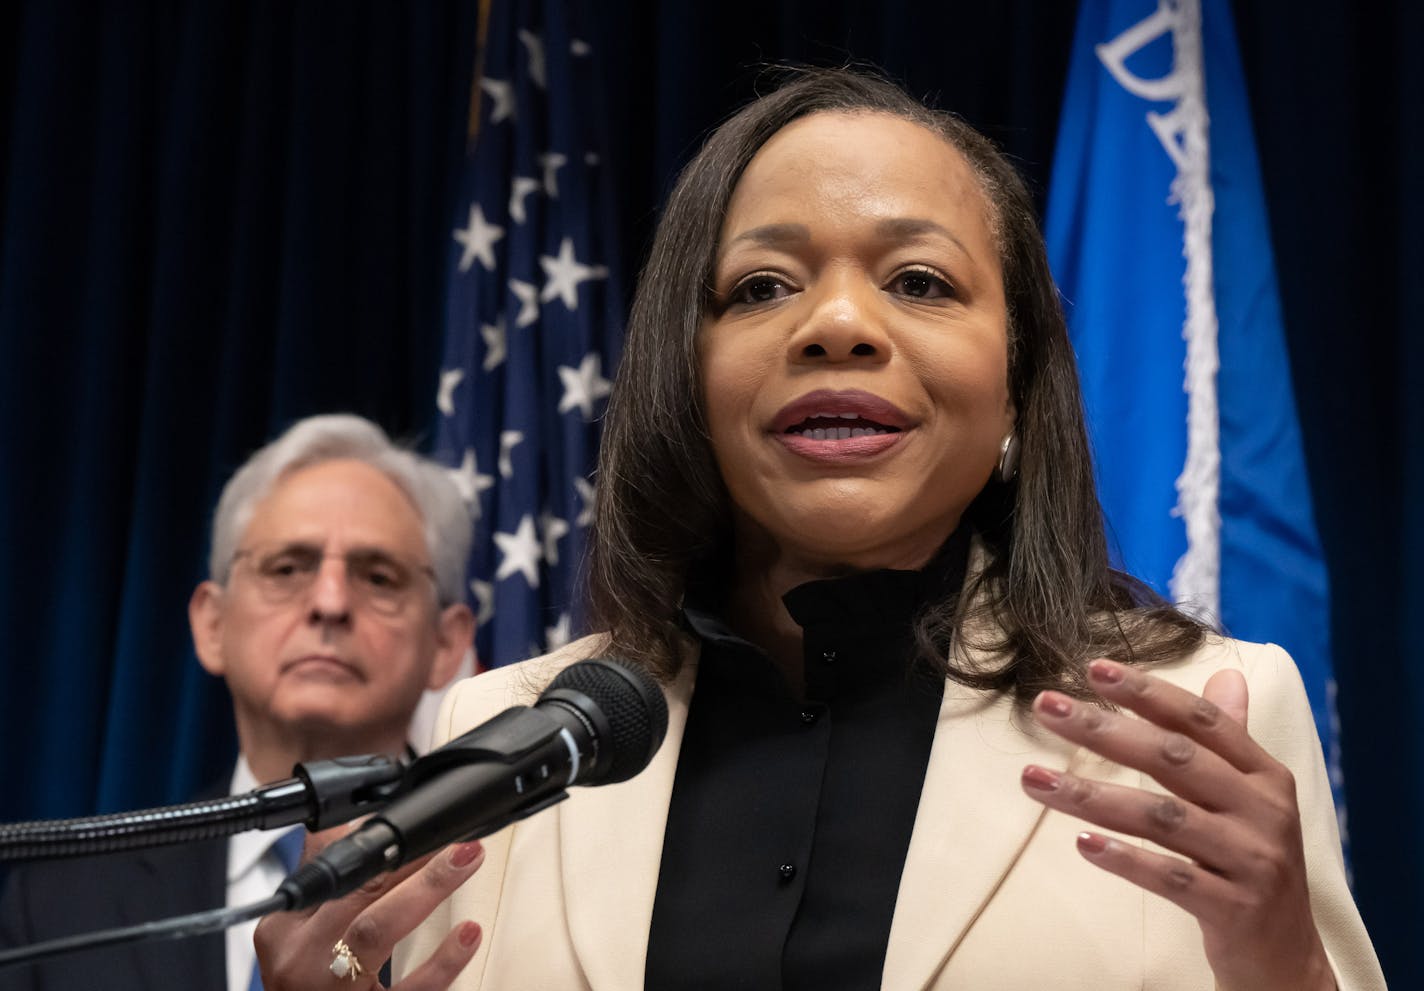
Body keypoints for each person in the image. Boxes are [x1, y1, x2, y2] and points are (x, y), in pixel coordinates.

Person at [256, 70, 1385, 990]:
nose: (836, 323)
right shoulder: (502, 735)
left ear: (1016, 392)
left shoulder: (1210, 716)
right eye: (759, 288)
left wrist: (1280, 967)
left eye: (917, 280)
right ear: (684, 382)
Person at [0, 414, 476, 991]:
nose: (330, 602)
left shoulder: (494, 888)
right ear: (213, 624)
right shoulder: (55, 910)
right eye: (287, 568)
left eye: (378, 577)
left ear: (445, 644)